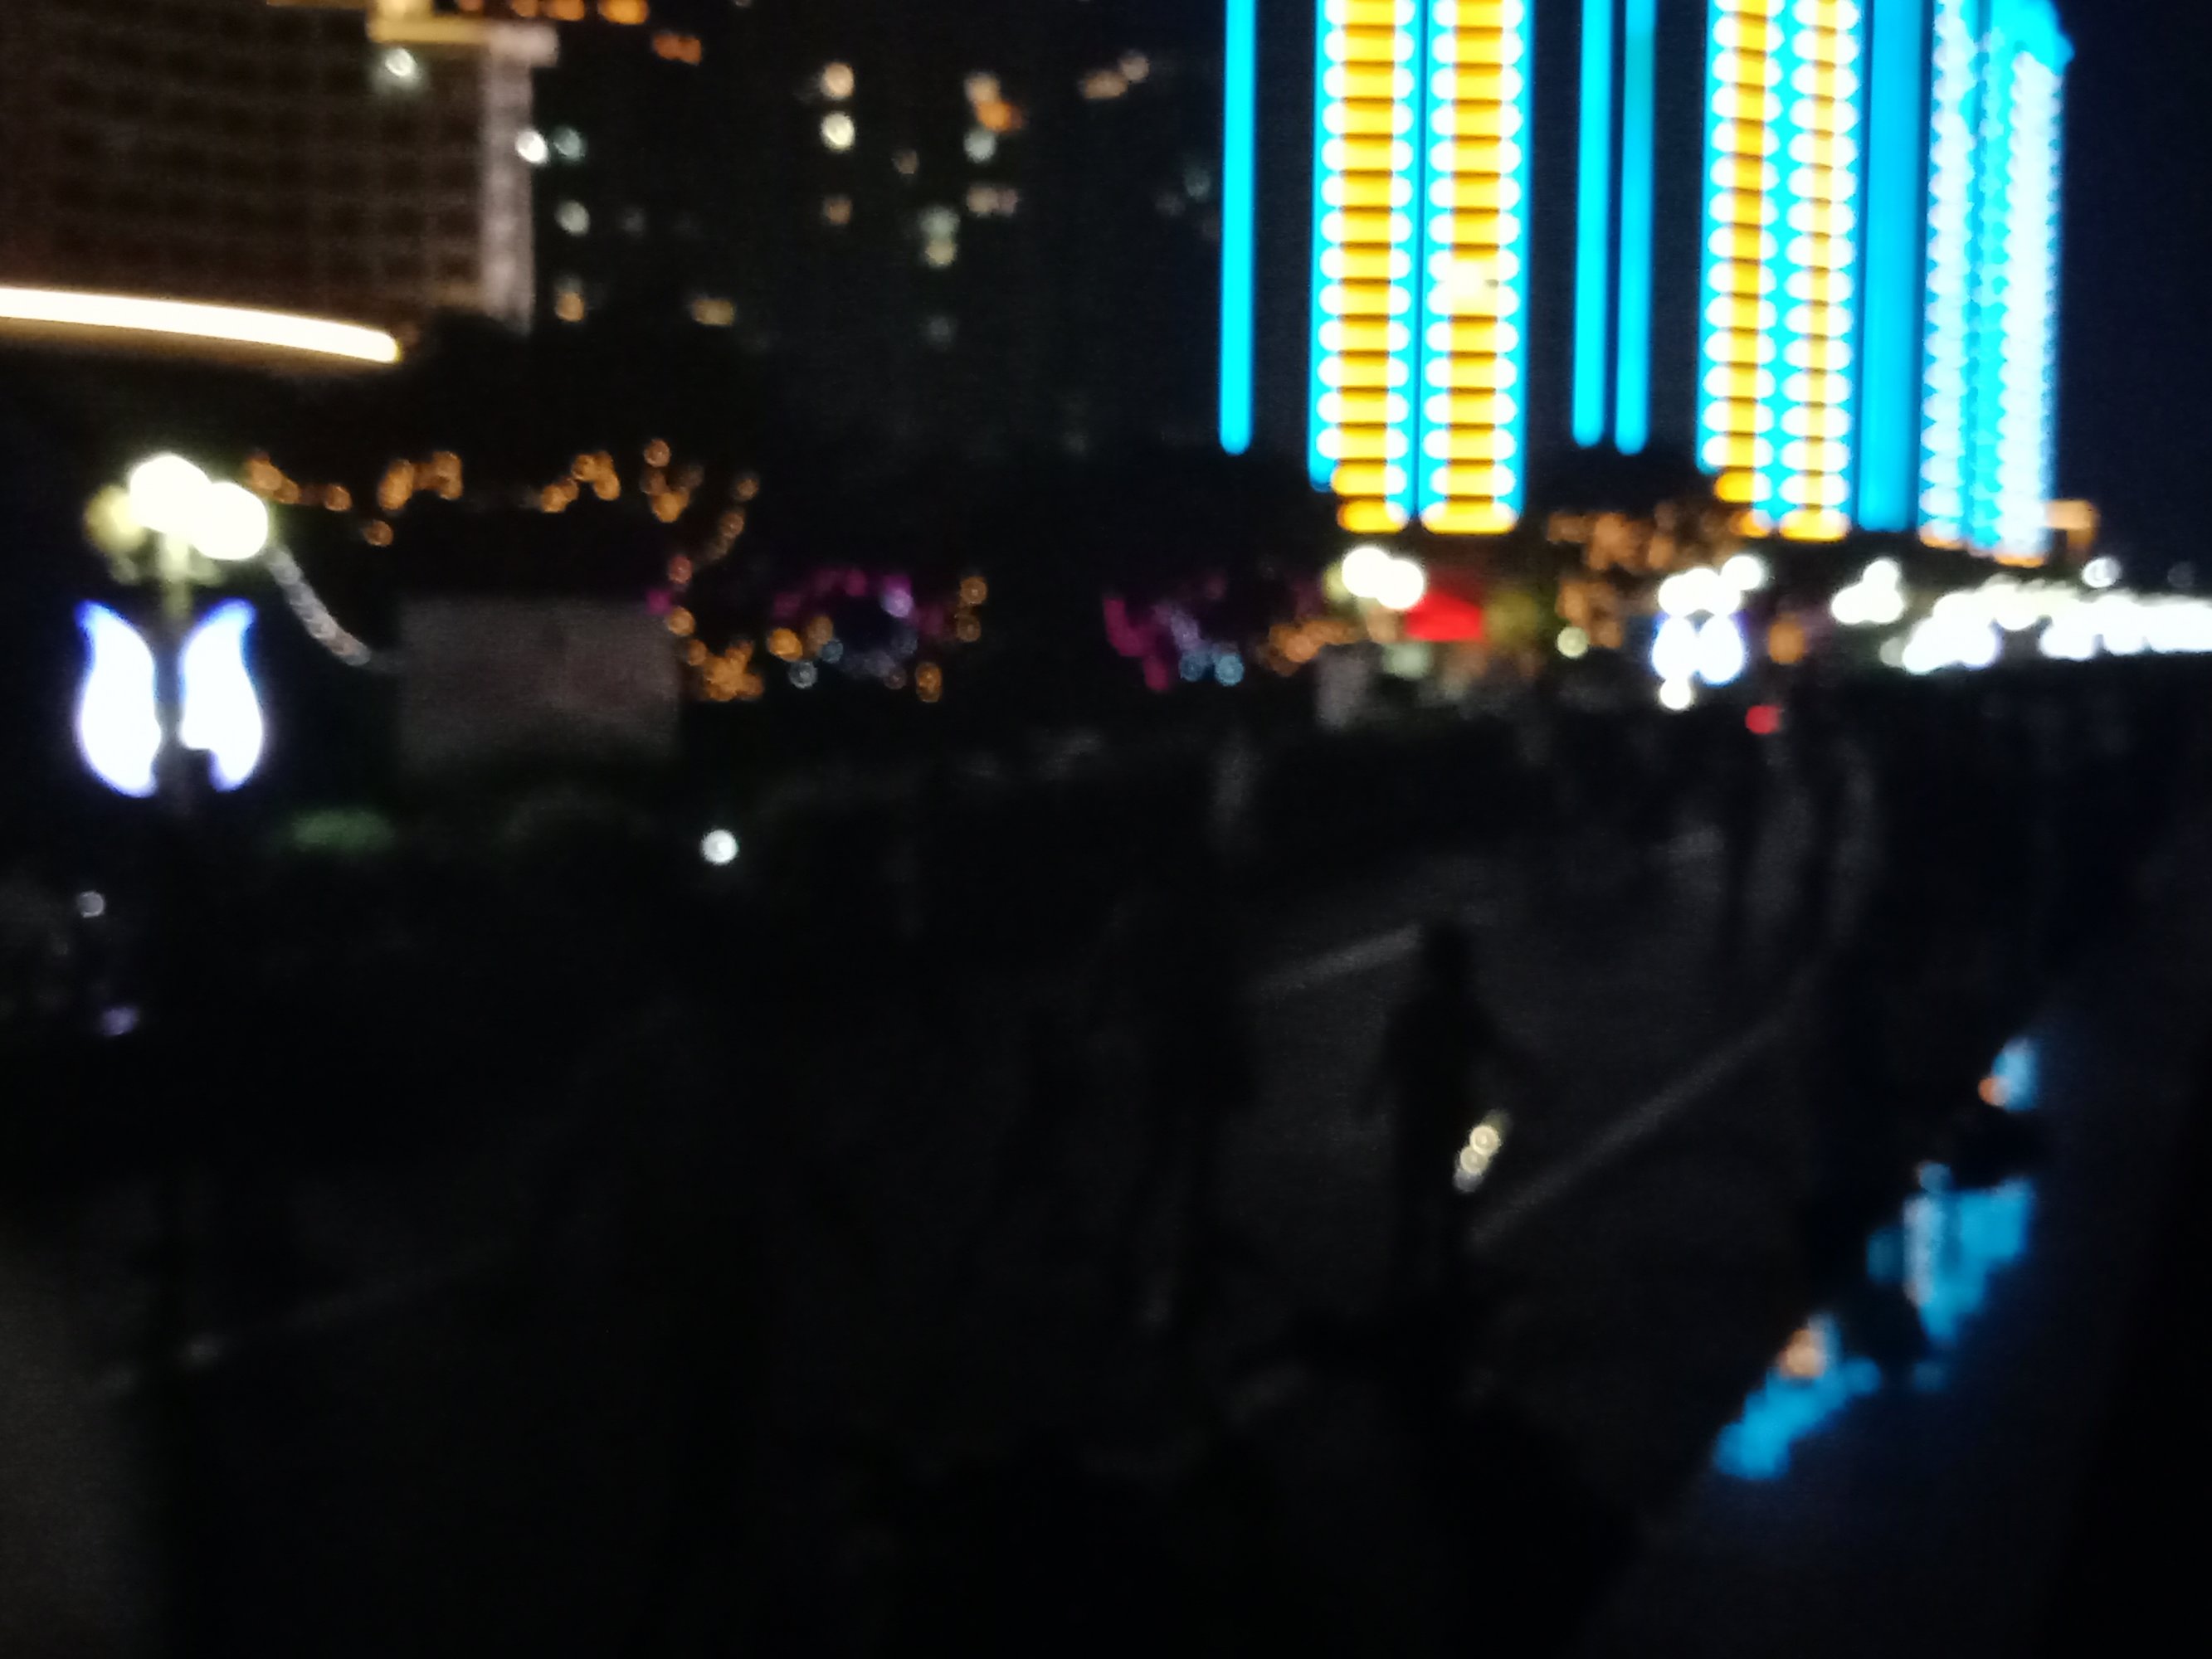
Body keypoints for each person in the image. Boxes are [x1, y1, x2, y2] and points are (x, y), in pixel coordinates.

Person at [1367, 922, 1541, 1307]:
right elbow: (1501, 1052)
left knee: (1412, 1210)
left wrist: (1370, 1096)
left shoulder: (1411, 1011)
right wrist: (1535, 1077)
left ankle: (1399, 1292)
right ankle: (1450, 1280)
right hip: (1453, 1118)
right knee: (1455, 1204)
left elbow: (1387, 1060)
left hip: (1413, 1122)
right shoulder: (1464, 1010)